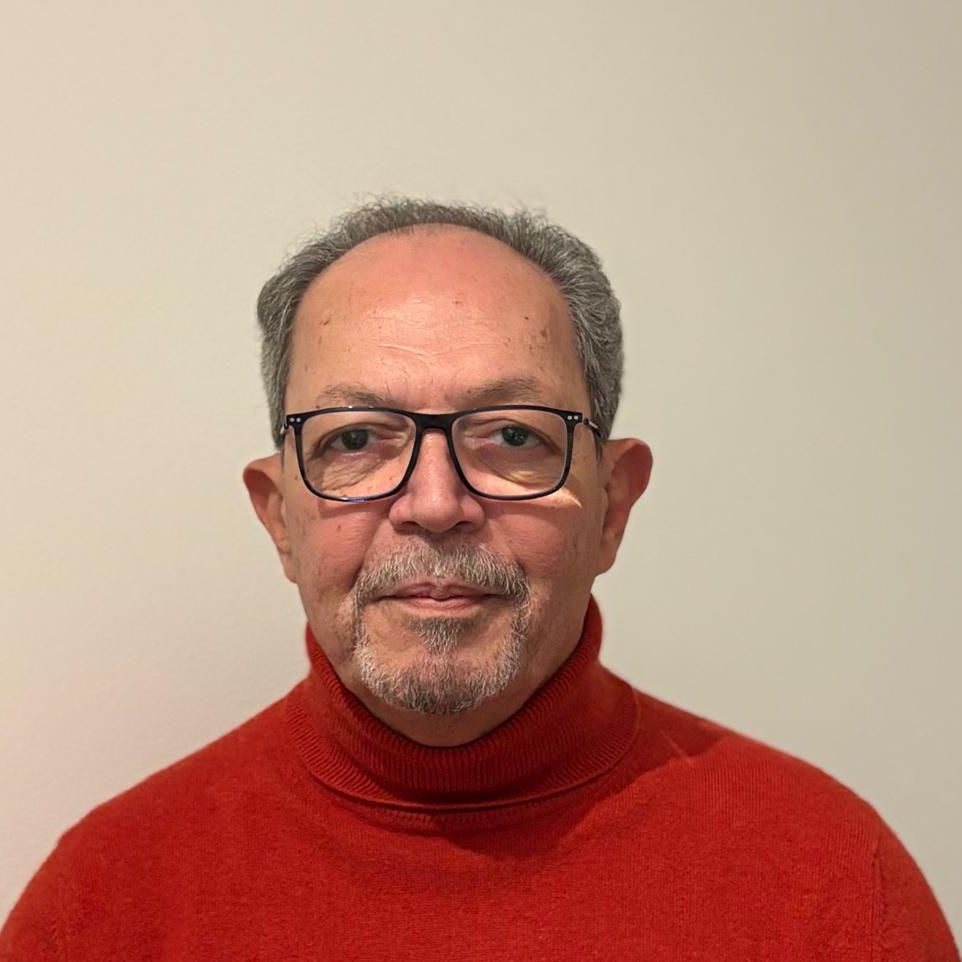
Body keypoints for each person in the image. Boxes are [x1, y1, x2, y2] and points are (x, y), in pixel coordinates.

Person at [1, 198, 957, 960]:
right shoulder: (104, 909)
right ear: (278, 517)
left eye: (511, 435)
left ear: (614, 506)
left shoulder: (829, 889)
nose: (434, 503)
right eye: (354, 439)